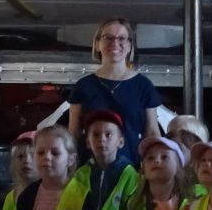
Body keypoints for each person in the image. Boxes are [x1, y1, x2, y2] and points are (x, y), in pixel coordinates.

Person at [64, 18, 162, 166]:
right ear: (97, 44)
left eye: (121, 38)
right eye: (108, 38)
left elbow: (152, 133)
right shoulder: (83, 86)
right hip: (89, 171)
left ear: (129, 46)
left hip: (131, 171)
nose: (115, 43)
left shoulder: (144, 86)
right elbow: (73, 135)